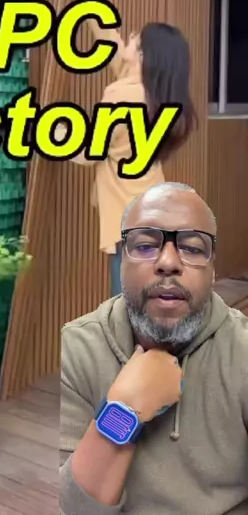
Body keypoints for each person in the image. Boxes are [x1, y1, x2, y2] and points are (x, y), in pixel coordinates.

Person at [60, 182, 248, 515]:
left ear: (212, 269)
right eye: (146, 246)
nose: (168, 262)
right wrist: (124, 409)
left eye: (192, 248)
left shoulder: (242, 349)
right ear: (121, 261)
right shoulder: (76, 348)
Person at [63, 0, 196, 296]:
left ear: (143, 56)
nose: (129, 37)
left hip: (131, 222)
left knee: (129, 310)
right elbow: (111, 41)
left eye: (136, 38)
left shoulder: (122, 94)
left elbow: (88, 151)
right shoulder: (150, 93)